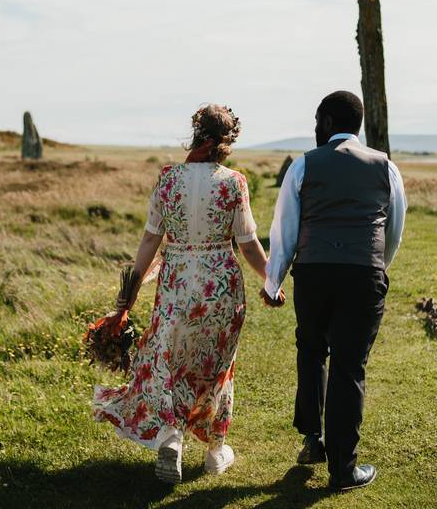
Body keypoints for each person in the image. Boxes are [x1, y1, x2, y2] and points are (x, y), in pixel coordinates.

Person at [93, 104, 281, 484]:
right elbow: (247, 245)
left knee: (169, 360)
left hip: (177, 281)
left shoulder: (167, 179)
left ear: (197, 135)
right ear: (225, 142)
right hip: (220, 288)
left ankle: (172, 437)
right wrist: (271, 281)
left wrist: (126, 298)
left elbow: (150, 239)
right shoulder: (234, 182)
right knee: (215, 367)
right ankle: (215, 451)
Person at [261, 91, 406, 491]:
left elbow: (285, 229)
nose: (313, 127)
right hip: (363, 275)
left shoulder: (304, 165)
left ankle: (313, 438)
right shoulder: (386, 166)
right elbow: (393, 228)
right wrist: (377, 265)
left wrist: (273, 282)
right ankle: (343, 470)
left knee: (311, 348)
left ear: (326, 122)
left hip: (313, 275)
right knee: (348, 367)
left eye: (316, 120)